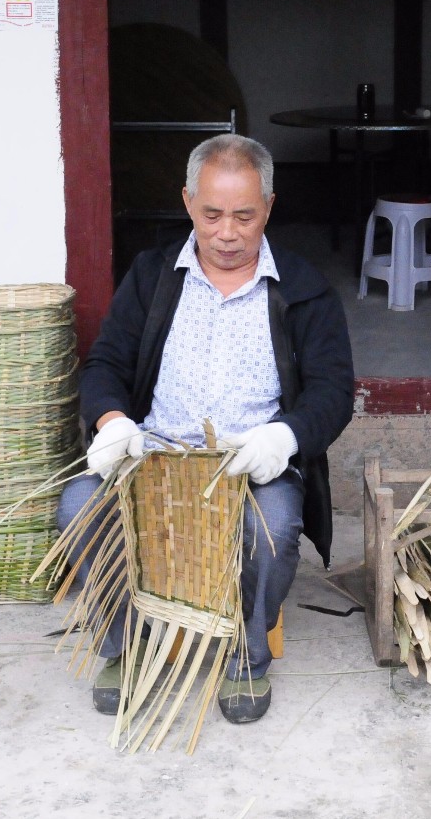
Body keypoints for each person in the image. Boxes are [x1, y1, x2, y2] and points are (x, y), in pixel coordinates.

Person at [59, 133, 355, 724]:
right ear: (188, 203)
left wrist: (283, 438)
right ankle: (124, 645)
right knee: (78, 506)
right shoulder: (152, 276)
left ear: (269, 206)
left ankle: (246, 659)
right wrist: (114, 422)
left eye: (244, 216)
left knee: (272, 527)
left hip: (250, 462)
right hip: (155, 456)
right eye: (212, 214)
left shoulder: (301, 288)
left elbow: (333, 391)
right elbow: (105, 365)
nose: (227, 232)